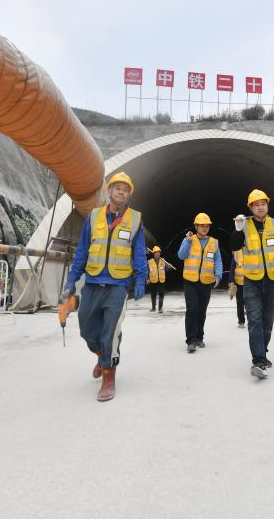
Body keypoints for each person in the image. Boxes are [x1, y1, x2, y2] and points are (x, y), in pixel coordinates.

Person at [62, 172, 146, 402]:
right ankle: (101, 356)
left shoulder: (135, 220)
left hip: (117, 286)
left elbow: (138, 253)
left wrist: (140, 279)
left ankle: (109, 377)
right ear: (109, 191)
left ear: (129, 195)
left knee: (110, 333)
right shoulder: (93, 217)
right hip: (92, 284)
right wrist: (72, 279)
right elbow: (82, 250)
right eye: (117, 187)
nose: (121, 191)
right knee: (86, 330)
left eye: (125, 189)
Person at [229, 189, 274, 379]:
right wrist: (237, 230)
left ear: (267, 205)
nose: (260, 207)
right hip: (251, 280)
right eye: (256, 204)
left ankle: (262, 352)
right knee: (255, 319)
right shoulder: (244, 225)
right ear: (250, 207)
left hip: (272, 279)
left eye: (263, 203)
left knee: (268, 320)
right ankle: (257, 360)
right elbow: (233, 246)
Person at [178, 213, 222, 353]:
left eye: (207, 225)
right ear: (196, 226)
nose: (204, 228)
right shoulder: (189, 239)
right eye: (201, 225)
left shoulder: (214, 242)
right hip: (190, 281)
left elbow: (218, 261)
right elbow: (181, 255)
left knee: (202, 311)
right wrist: (188, 242)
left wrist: (218, 275)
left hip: (206, 281)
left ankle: (199, 337)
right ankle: (191, 340)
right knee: (192, 310)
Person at [147, 246, 173, 313]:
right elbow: (147, 271)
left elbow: (166, 269)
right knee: (153, 294)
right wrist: (147, 278)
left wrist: (169, 267)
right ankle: (153, 308)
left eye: (159, 252)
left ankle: (160, 308)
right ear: (154, 253)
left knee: (161, 294)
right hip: (153, 281)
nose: (158, 254)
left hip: (161, 281)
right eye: (156, 253)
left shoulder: (163, 261)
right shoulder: (150, 262)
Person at [230, 248, 246, 328]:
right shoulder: (236, 252)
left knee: (251, 303)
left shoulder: (254, 249)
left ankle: (252, 321)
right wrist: (231, 281)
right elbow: (232, 268)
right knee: (240, 303)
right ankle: (241, 321)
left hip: (251, 282)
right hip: (239, 283)